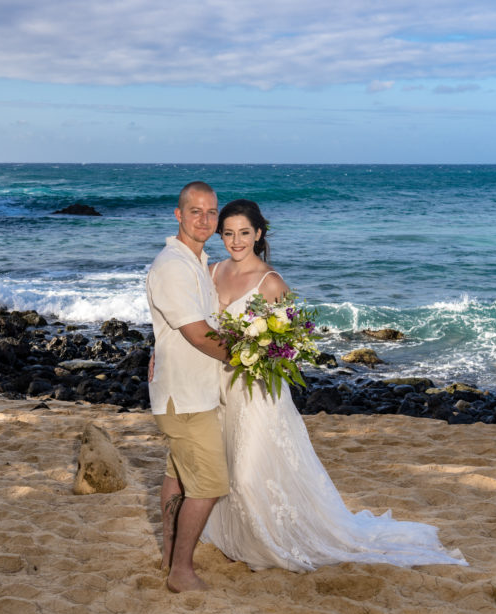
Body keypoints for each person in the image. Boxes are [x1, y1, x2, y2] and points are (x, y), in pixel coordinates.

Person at [201, 199, 467, 571]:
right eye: (228, 233)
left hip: (256, 392)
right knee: (226, 469)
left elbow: (288, 346)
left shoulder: (271, 282)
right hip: (215, 386)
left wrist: (261, 351)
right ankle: (235, 538)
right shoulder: (211, 272)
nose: (236, 240)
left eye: (244, 232)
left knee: (247, 474)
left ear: (258, 234)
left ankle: (271, 540)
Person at [145, 181, 230, 592]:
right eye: (196, 211)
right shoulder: (173, 266)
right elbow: (199, 334)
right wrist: (248, 358)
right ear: (178, 215)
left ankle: (168, 556)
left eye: (211, 212)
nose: (205, 220)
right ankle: (181, 570)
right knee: (210, 485)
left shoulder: (196, 260)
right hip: (186, 397)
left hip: (190, 390)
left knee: (177, 475)